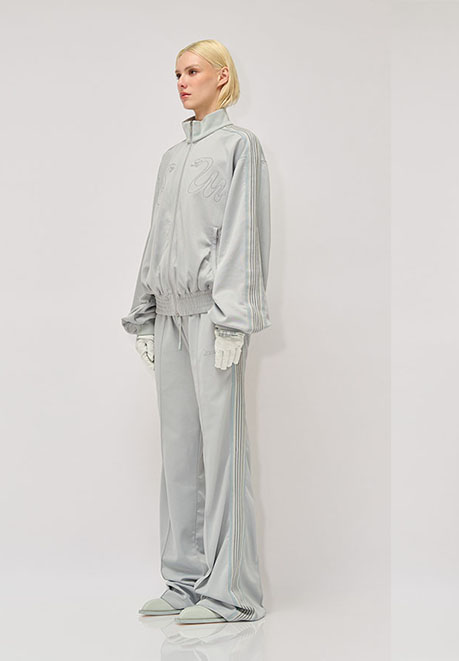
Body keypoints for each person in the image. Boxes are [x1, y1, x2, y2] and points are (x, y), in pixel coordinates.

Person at [121, 38, 271, 624]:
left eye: (192, 71)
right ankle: (184, 579)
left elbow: (244, 234)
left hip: (213, 313)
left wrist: (234, 318)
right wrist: (144, 311)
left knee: (222, 450)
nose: (182, 82)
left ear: (222, 77)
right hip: (169, 314)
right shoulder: (170, 158)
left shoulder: (240, 147)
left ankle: (231, 592)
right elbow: (156, 236)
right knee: (179, 449)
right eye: (177, 74)